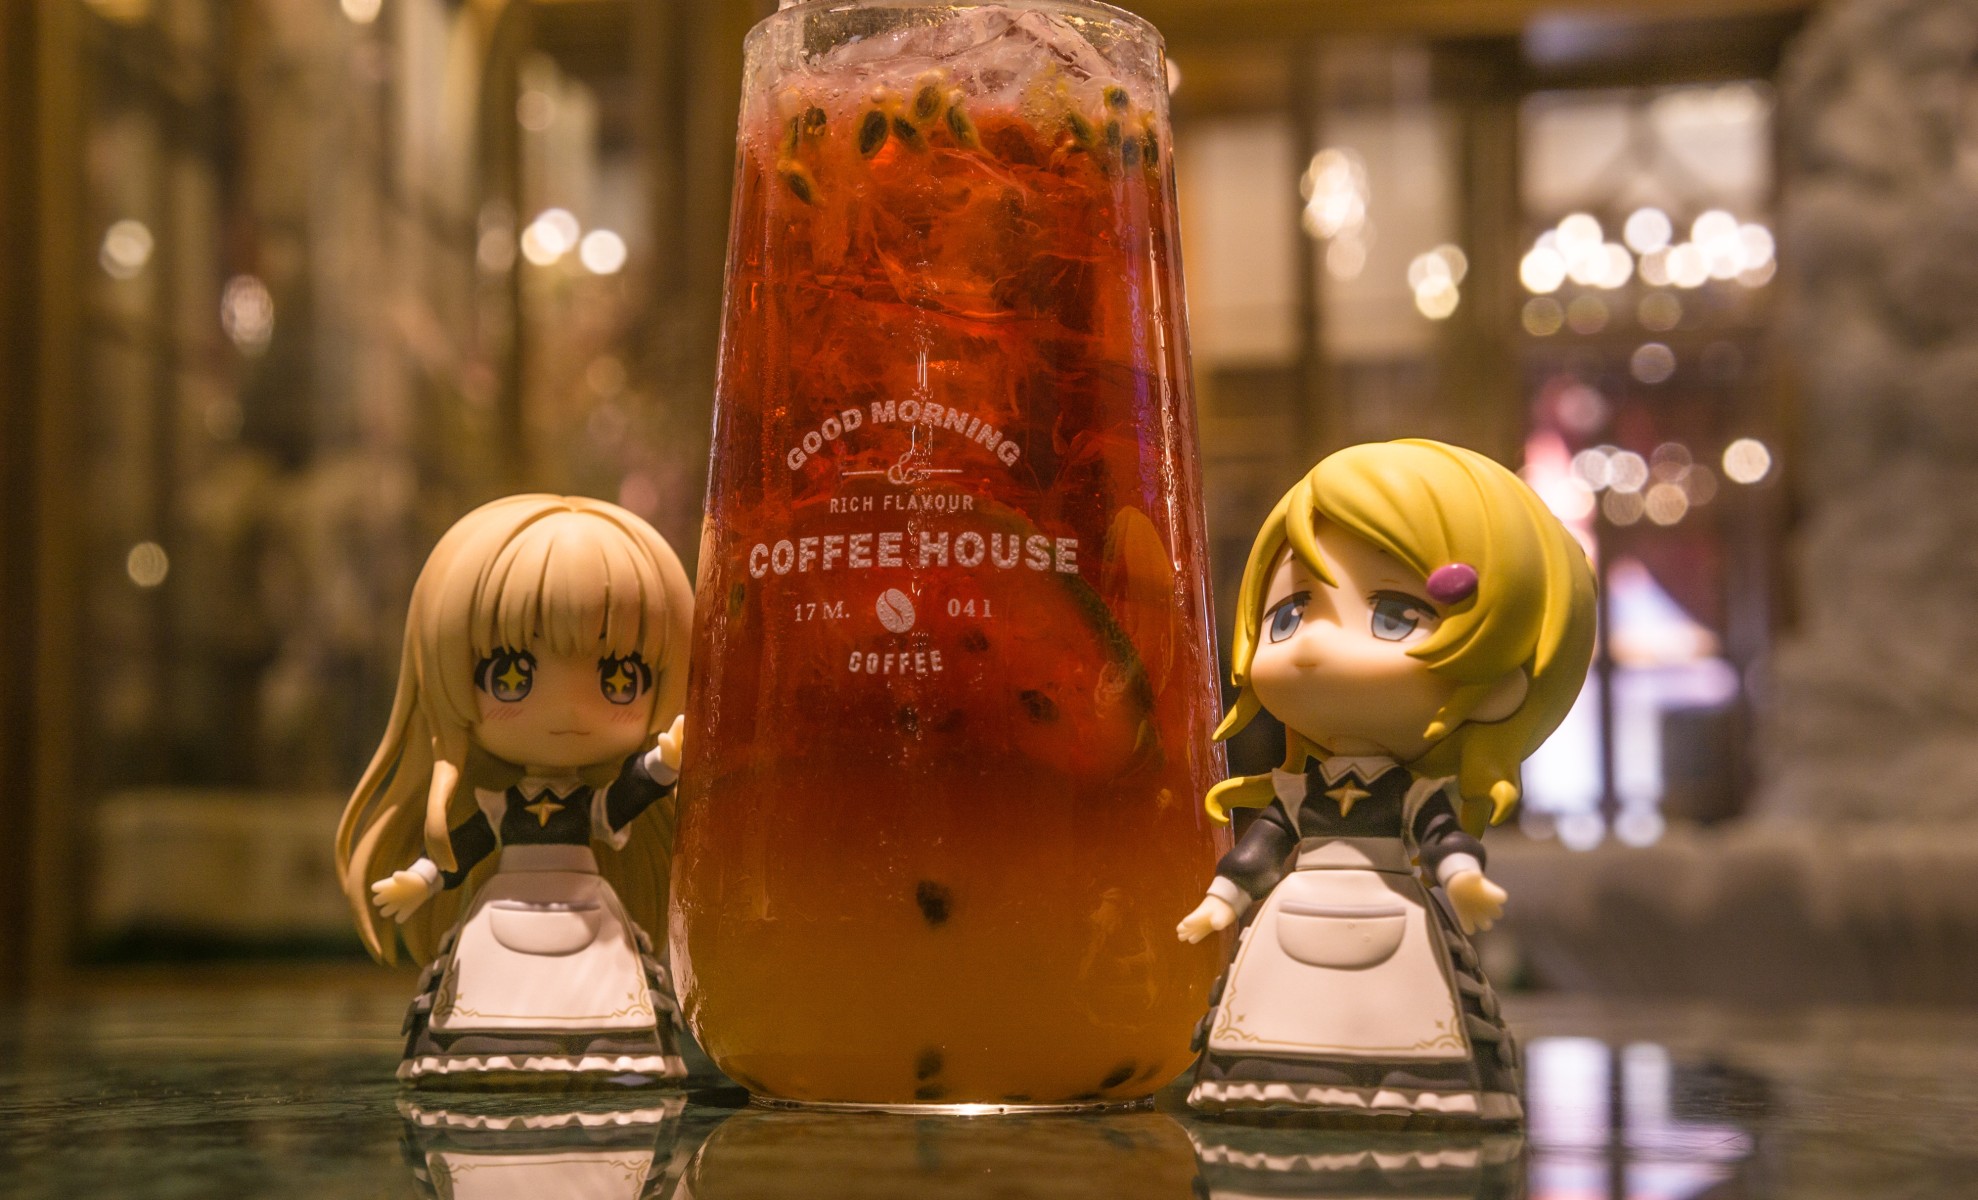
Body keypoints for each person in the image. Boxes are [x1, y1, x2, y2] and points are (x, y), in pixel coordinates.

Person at [1176, 440, 1596, 1121]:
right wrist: (1222, 901)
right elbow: (1262, 848)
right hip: (1296, 914)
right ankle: (1268, 1081)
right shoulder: (1299, 794)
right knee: (1278, 1015)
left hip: (1395, 915)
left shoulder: (1412, 796)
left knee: (1409, 1016)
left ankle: (1409, 1089)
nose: (1313, 644)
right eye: (1289, 614)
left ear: (1501, 684)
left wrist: (1463, 880)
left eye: (1393, 617)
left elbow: (1440, 836)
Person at [335, 495, 694, 1083]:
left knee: (603, 989)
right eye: (512, 675)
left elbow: (621, 801)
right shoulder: (502, 807)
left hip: (586, 907)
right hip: (506, 907)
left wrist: (663, 763)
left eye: (619, 677)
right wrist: (421, 879)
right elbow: (468, 842)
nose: (568, 708)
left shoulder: (587, 807)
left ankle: (610, 1051)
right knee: (488, 984)